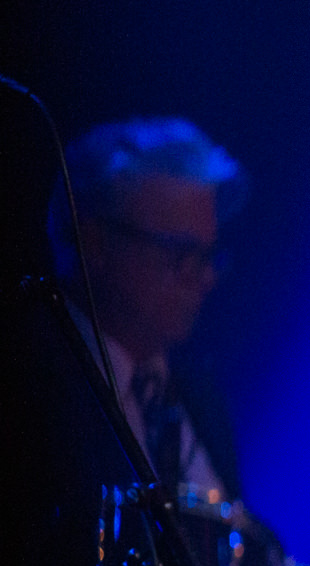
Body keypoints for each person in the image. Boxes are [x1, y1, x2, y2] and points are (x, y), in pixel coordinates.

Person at [53, 116, 245, 499]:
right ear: (94, 243)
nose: (205, 278)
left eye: (208, 256)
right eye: (183, 255)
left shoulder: (198, 396)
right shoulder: (36, 386)